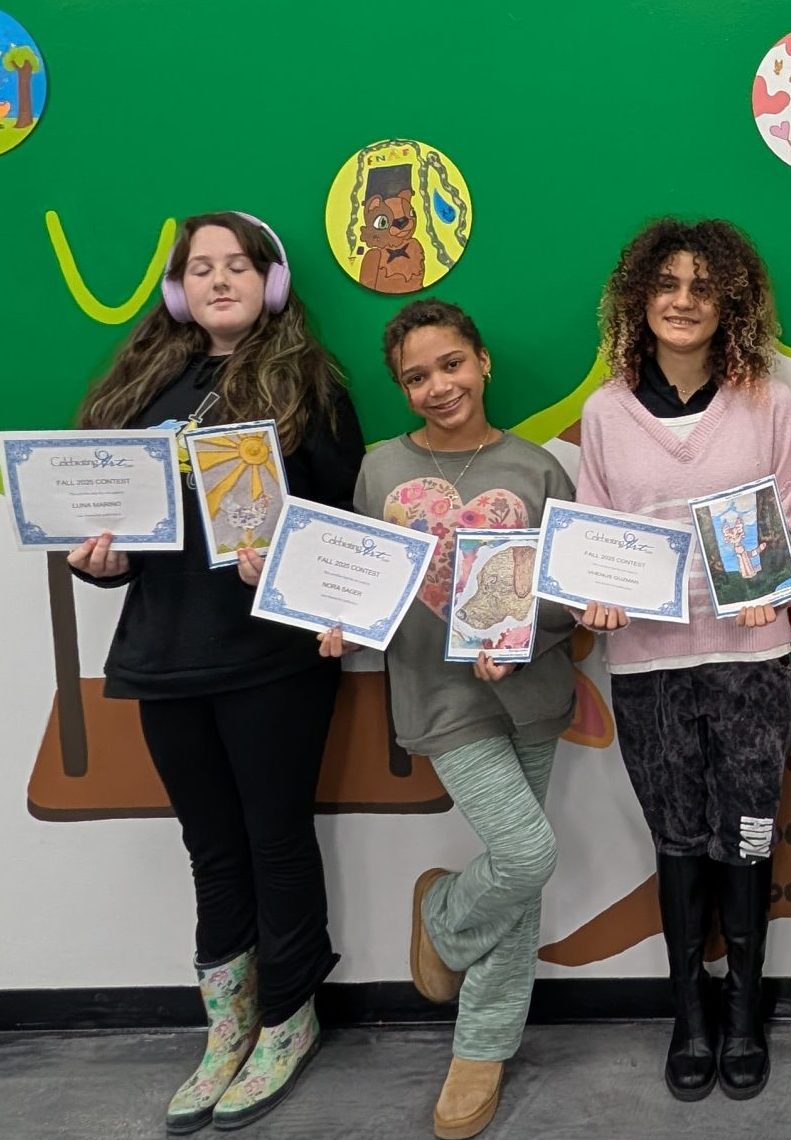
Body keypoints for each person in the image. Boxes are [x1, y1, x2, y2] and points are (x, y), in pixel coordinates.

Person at [69, 211, 363, 1133]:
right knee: (210, 846)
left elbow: (344, 521)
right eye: (200, 268)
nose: (219, 280)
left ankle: (288, 1018)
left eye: (238, 265)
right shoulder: (141, 385)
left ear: (271, 283)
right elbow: (110, 527)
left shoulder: (311, 383)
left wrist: (286, 553)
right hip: (163, 652)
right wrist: (97, 560)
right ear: (176, 290)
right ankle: (226, 1028)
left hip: (271, 654)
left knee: (276, 837)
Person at [329, 299, 576, 1139]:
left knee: (521, 877)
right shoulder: (378, 470)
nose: (438, 386)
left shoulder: (538, 469)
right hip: (440, 701)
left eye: (451, 364)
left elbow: (565, 597)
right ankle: (441, 917)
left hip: (531, 695)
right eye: (416, 377)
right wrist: (336, 618)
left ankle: (482, 1048)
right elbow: (364, 581)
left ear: (483, 361)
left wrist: (530, 633)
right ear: (401, 389)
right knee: (526, 854)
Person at [575, 218, 791, 1101]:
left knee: (746, 832)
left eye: (702, 288)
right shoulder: (606, 412)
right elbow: (596, 531)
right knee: (677, 836)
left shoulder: (768, 402)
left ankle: (743, 1012)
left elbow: (788, 517)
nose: (682, 301)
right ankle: (690, 1013)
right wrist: (598, 593)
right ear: (639, 297)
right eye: (666, 285)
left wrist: (771, 579)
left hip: (751, 655)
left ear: (730, 304)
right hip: (648, 662)